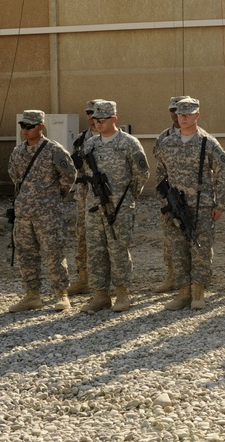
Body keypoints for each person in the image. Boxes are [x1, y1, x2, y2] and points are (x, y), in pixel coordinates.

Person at [155, 97, 225, 311]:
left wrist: (220, 204)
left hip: (202, 205)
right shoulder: (167, 143)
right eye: (180, 114)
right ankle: (183, 293)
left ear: (197, 115)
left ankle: (198, 292)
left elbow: (223, 172)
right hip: (175, 206)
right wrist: (165, 202)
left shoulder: (207, 142)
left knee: (200, 249)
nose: (184, 118)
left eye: (188, 114)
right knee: (178, 250)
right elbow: (160, 174)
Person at [78, 101, 150, 313]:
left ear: (114, 119)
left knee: (118, 249)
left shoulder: (129, 143)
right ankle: (100, 295)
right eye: (96, 120)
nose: (98, 123)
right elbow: (85, 175)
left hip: (120, 206)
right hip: (94, 207)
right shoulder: (90, 145)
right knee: (95, 251)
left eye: (103, 119)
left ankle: (122, 293)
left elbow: (141, 173)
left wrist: (127, 197)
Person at [6, 110, 77, 313]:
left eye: (29, 126)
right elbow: (14, 176)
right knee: (26, 255)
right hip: (24, 214)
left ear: (41, 127)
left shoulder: (54, 150)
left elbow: (69, 175)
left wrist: (53, 196)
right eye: (23, 126)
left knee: (53, 253)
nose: (25, 130)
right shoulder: (18, 152)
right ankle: (32, 296)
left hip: (48, 214)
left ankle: (62, 294)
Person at [67, 98, 102, 296]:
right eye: (89, 113)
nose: (91, 117)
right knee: (82, 236)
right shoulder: (80, 140)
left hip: (105, 195)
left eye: (95, 113)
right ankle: (83, 279)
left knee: (108, 236)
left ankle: (111, 281)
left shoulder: (115, 138)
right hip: (84, 195)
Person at [153, 96, 184, 294]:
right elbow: (159, 168)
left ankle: (196, 279)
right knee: (170, 238)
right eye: (172, 110)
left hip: (191, 195)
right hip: (170, 195)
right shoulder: (164, 137)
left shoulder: (200, 137)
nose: (175, 114)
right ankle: (172, 275)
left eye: (179, 110)